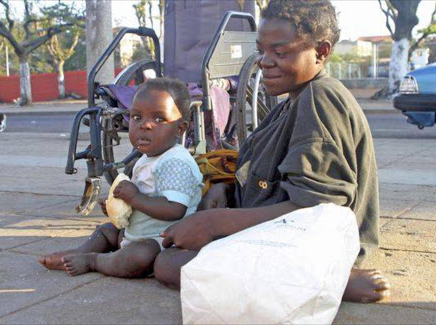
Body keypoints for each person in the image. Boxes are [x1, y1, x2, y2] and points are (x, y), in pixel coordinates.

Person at [154, 0, 390, 303]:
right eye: (261, 50)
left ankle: (322, 282)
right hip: (281, 238)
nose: (265, 61)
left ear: (321, 52)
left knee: (169, 265)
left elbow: (317, 211)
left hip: (308, 250)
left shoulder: (320, 98)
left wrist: (214, 224)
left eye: (280, 52)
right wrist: (227, 190)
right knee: (172, 254)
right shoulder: (294, 99)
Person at [38, 78, 203, 278]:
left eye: (159, 119)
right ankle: (80, 251)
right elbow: (145, 199)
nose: (146, 126)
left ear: (180, 128)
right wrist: (120, 206)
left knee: (140, 255)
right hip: (137, 233)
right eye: (137, 117)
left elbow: (175, 209)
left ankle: (94, 260)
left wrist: (134, 198)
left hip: (162, 241)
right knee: (107, 231)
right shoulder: (148, 158)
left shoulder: (176, 162)